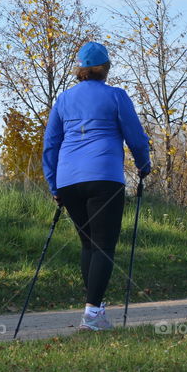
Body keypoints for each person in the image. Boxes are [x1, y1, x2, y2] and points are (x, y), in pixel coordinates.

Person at [42, 41, 152, 331]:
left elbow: (50, 145)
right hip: (104, 178)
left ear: (80, 68)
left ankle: (95, 310)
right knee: (103, 245)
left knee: (88, 244)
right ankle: (92, 315)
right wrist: (144, 165)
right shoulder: (116, 96)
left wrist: (54, 184)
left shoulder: (64, 100)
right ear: (106, 68)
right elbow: (136, 137)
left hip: (68, 182)